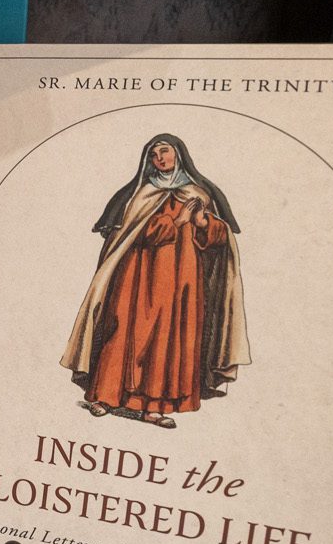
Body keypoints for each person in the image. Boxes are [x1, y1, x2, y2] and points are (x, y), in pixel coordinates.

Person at [61, 134, 251, 427]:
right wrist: (177, 222)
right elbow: (137, 232)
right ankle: (104, 397)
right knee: (124, 331)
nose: (159, 159)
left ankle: (153, 406)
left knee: (169, 340)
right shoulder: (143, 194)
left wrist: (204, 223)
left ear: (179, 155)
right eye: (153, 155)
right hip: (139, 276)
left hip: (183, 280)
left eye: (164, 152)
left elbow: (219, 238)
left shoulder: (198, 194)